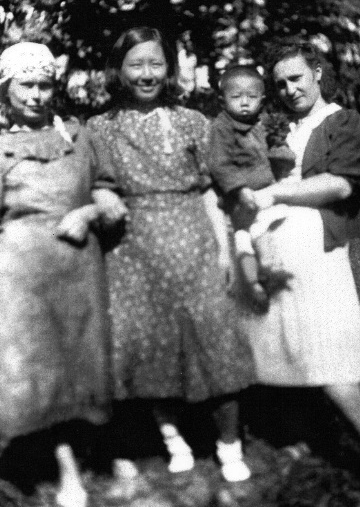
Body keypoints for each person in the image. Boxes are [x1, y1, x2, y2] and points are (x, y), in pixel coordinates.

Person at [86, 27, 255, 496]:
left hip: (193, 239)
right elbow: (92, 183)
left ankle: (229, 446)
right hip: (132, 250)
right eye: (136, 64)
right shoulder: (99, 128)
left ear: (169, 69)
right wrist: (100, 193)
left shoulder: (194, 122)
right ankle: (173, 440)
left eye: (155, 64)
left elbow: (209, 189)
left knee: (214, 337)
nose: (147, 74)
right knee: (151, 346)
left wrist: (222, 248)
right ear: (118, 71)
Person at [242, 38, 360, 504]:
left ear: (317, 74)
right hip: (276, 248)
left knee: (330, 352)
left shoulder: (341, 122)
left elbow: (342, 184)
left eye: (296, 78)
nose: (289, 89)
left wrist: (275, 194)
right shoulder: (277, 130)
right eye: (279, 84)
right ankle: (303, 436)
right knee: (285, 344)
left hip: (319, 247)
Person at [0, 42, 127, 507]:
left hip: (78, 267)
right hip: (21, 273)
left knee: (86, 359)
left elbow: (110, 194)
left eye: (44, 85)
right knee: (39, 365)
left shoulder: (78, 135)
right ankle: (64, 468)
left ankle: (108, 451)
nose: (36, 95)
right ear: (6, 89)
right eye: (26, 86)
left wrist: (88, 212)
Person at [208, 64, 295, 306]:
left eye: (252, 97)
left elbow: (276, 147)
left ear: (262, 99)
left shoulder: (262, 123)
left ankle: (256, 281)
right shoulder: (222, 128)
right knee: (254, 232)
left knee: (245, 238)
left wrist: (282, 153)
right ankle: (265, 269)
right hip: (239, 195)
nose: (244, 103)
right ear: (223, 100)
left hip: (264, 191)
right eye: (236, 97)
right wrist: (239, 188)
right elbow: (219, 163)